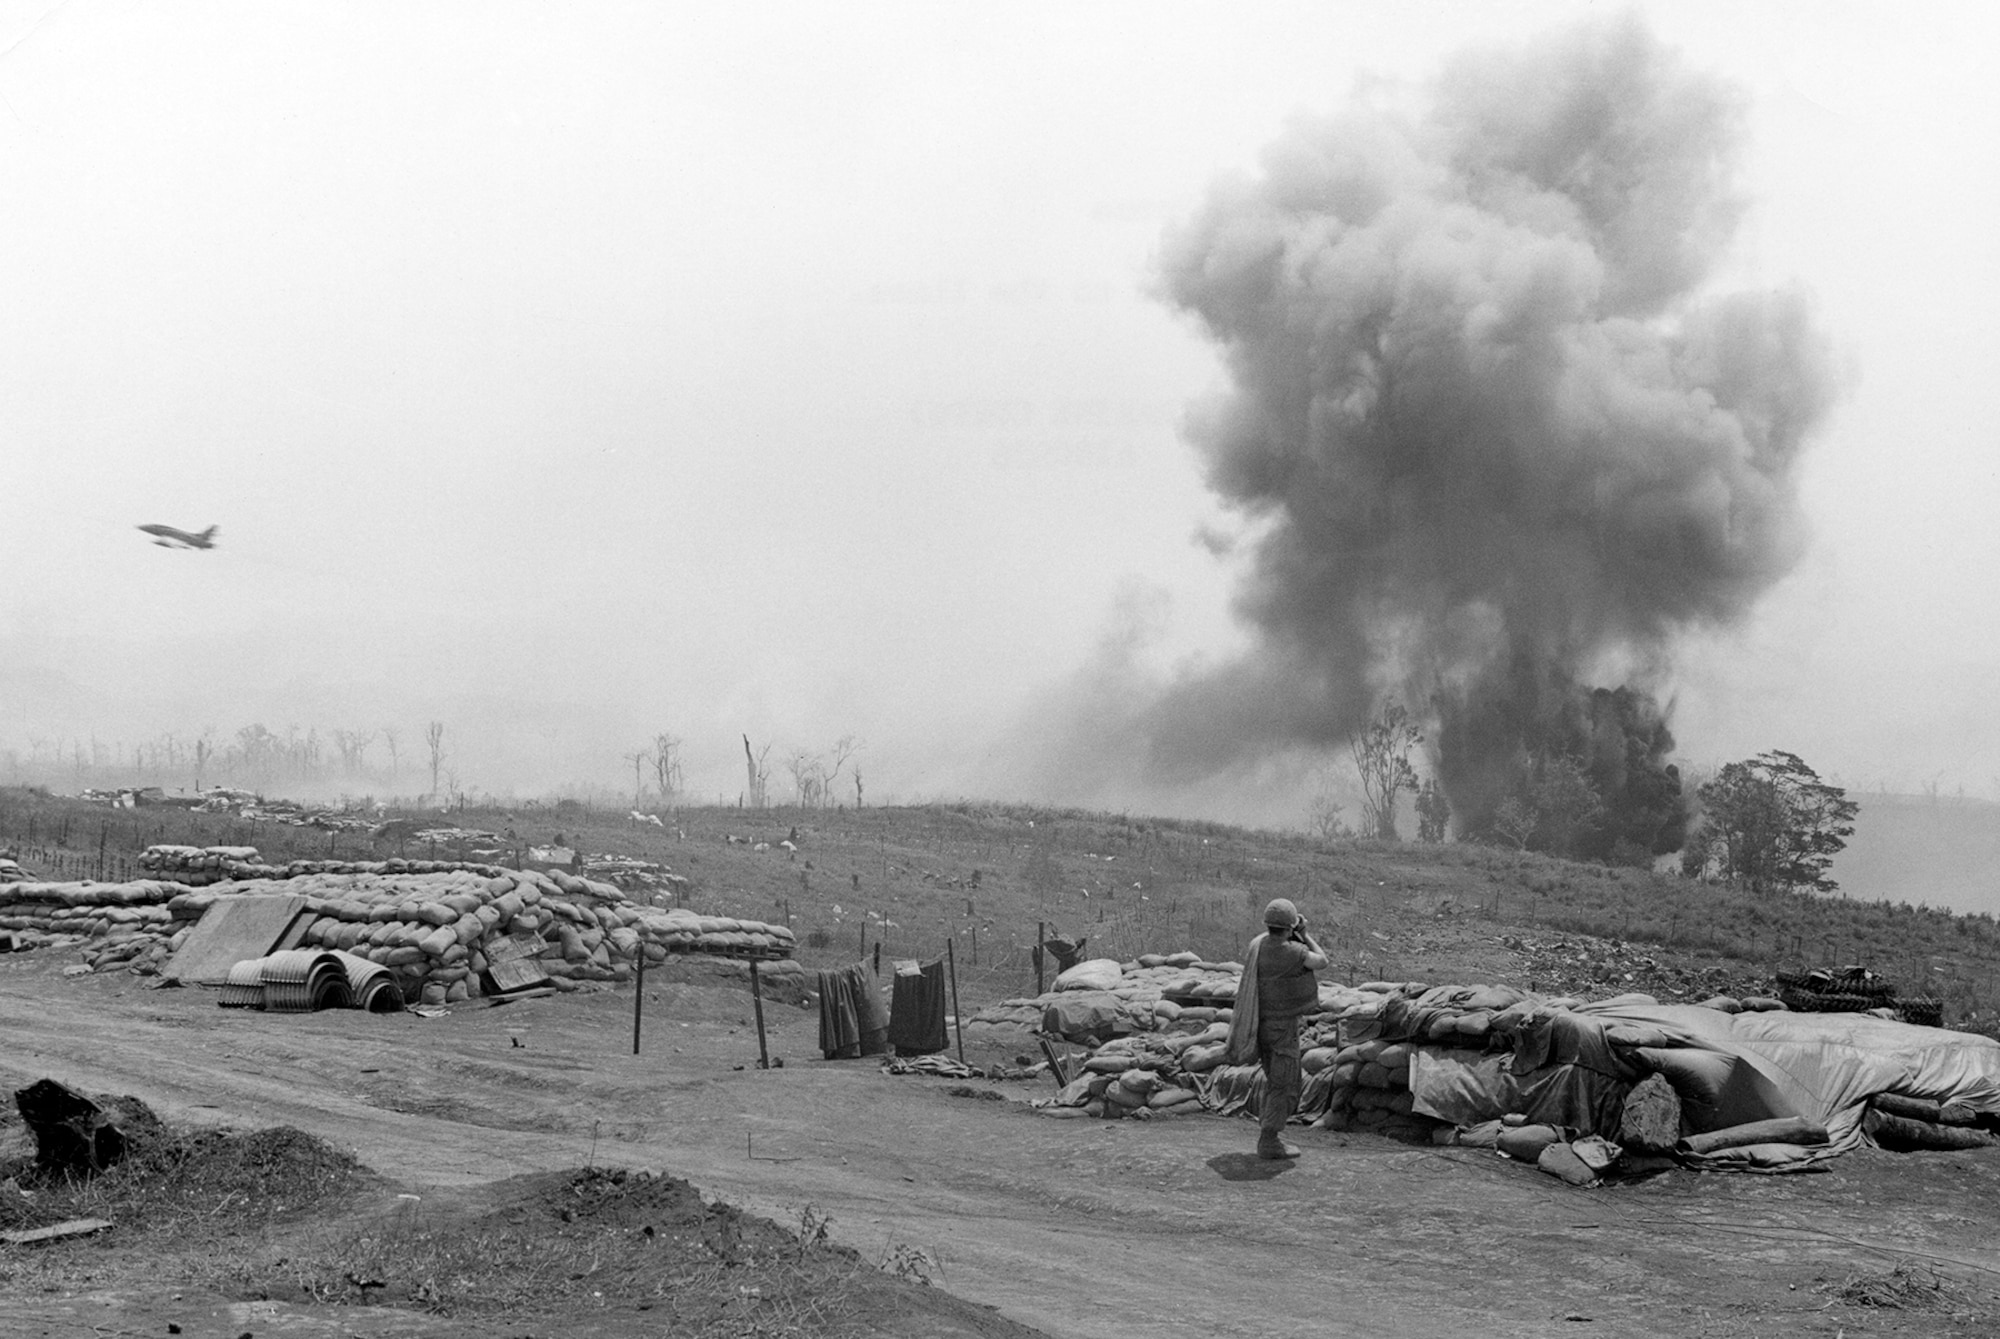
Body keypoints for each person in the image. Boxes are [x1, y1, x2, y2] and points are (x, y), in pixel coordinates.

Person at [1225, 897, 1329, 1160]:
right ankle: (1269, 1140)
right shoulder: (1293, 951)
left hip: (1262, 1025)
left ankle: (1271, 1135)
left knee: (1276, 1080)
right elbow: (1322, 961)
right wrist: (1304, 934)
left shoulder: (1257, 945)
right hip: (1282, 1029)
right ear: (1290, 925)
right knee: (1283, 1084)